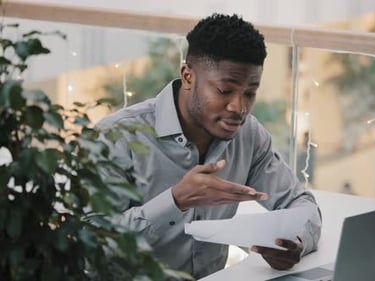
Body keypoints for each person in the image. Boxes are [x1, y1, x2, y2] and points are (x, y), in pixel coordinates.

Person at [96, 13, 322, 279]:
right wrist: (175, 201)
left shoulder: (248, 135)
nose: (239, 108)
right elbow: (90, 241)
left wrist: (292, 243)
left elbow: (301, 203)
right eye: (225, 91)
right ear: (188, 76)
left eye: (250, 93)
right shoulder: (117, 136)